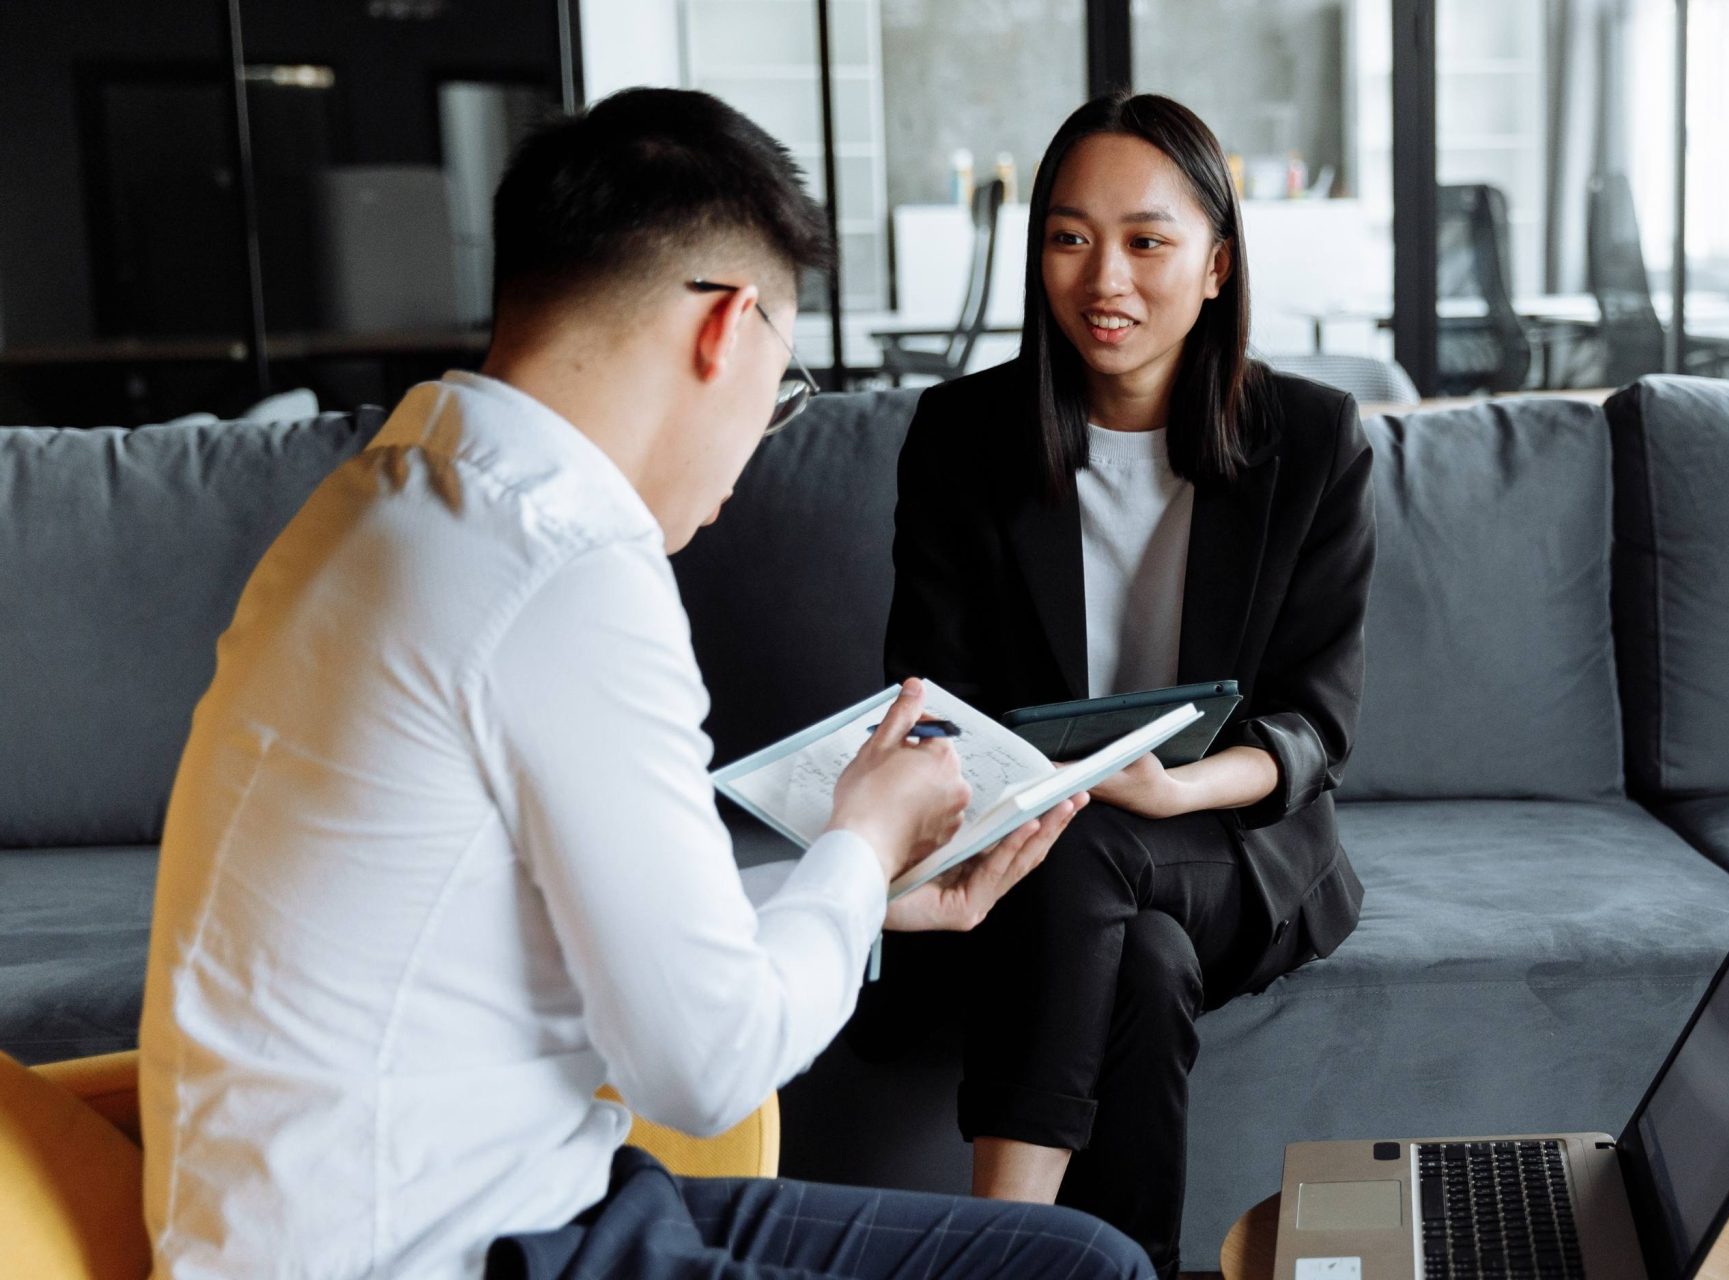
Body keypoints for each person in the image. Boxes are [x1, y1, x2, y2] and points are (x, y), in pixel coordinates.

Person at [136, 88, 1144, 1280]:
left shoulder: (383, 499)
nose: (756, 441)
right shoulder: (566, 568)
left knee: (1075, 1259)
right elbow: (706, 1067)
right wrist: (861, 847)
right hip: (450, 1250)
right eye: (780, 391)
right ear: (726, 329)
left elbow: (524, 900)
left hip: (497, 1197)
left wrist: (852, 889)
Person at [885, 91, 1378, 1277]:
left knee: (1095, 840)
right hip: (1027, 843)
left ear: (1214, 265)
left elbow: (1319, 719)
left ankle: (994, 1251)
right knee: (1144, 962)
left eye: (1146, 241)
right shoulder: (961, 438)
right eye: (1068, 235)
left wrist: (1178, 786)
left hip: (1227, 838)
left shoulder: (1311, 440)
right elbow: (923, 690)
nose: (1103, 277)